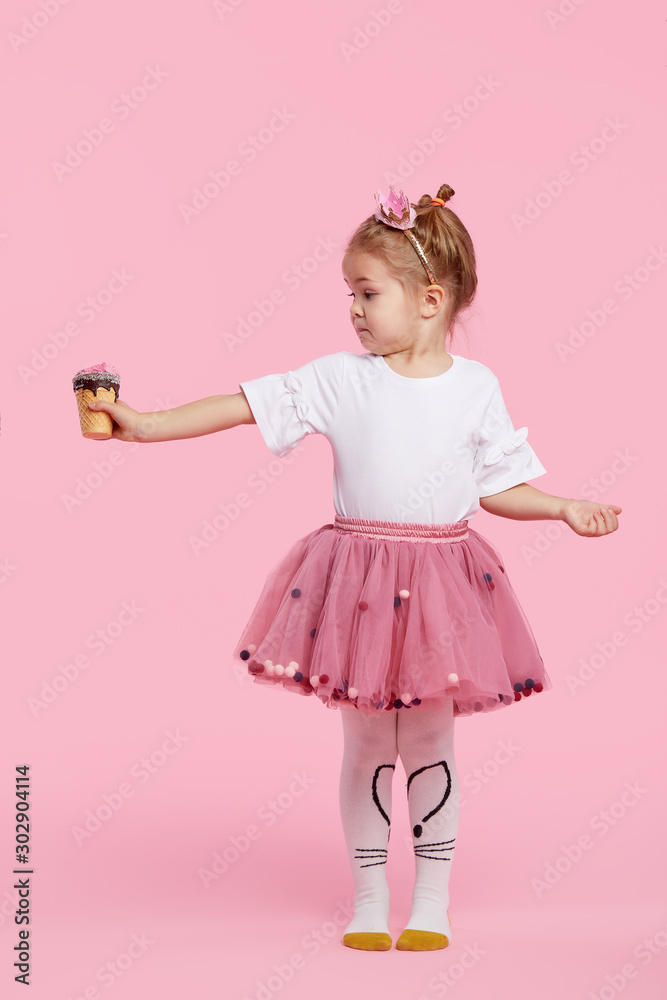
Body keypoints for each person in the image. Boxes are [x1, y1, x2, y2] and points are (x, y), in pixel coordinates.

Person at [87, 183, 622, 953]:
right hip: (357, 587)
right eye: (351, 293)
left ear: (430, 298)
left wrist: (563, 506)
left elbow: (497, 485)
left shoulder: (476, 389)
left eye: (368, 293)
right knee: (369, 745)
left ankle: (429, 901)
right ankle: (369, 898)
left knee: (430, 742)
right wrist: (146, 425)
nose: (354, 309)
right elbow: (244, 403)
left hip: (442, 586)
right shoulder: (342, 378)